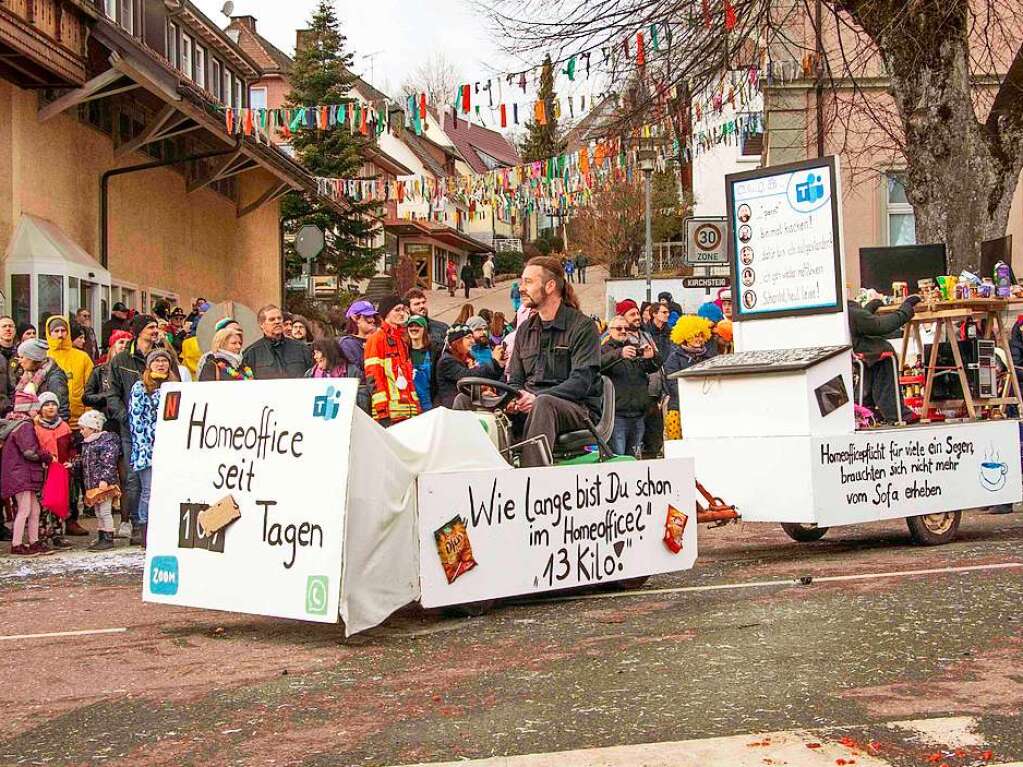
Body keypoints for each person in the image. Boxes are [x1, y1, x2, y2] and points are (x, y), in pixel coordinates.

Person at [478, 257, 601, 468]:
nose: (521, 288)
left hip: (575, 408)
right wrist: (514, 399)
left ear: (550, 286)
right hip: (531, 405)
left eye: (528, 282)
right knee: (467, 401)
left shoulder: (583, 327)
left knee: (544, 404)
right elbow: (515, 378)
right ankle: (473, 480)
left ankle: (532, 483)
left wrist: (536, 397)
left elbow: (582, 382)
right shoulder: (525, 330)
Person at [107, 314, 159, 544]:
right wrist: (126, 417)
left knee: (155, 478)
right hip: (132, 428)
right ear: (138, 331)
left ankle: (153, 522)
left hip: (159, 428)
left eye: (156, 327)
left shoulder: (161, 354)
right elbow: (113, 395)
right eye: (150, 327)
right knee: (133, 477)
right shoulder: (121, 361)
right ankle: (136, 523)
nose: (155, 331)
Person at [128, 349, 178, 547]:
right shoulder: (140, 387)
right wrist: (151, 441)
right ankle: (145, 529)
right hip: (148, 448)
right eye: (157, 361)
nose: (161, 364)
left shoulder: (174, 386)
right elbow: (136, 419)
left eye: (164, 361)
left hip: (170, 449)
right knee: (148, 490)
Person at [848, 295, 921, 423]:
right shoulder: (851, 313)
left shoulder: (841, 312)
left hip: (850, 352)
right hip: (861, 352)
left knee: (872, 360)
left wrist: (869, 308)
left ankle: (866, 406)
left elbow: (863, 322)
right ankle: (895, 412)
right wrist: (906, 308)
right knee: (884, 355)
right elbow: (882, 326)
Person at [602, 315, 659, 457]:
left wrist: (652, 356)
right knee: (618, 459)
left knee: (633, 459)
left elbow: (654, 367)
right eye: (619, 328)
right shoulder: (603, 349)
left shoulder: (635, 348)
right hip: (616, 416)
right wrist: (619, 354)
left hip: (638, 415)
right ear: (610, 331)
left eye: (626, 328)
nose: (623, 331)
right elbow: (598, 365)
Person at [2, 391, 50, 555]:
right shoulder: (25, 426)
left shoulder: (16, 424)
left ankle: (33, 541)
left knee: (34, 509)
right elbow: (29, 452)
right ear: (27, 408)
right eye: (35, 408)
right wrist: (46, 456)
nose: (37, 411)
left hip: (20, 474)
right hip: (21, 474)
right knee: (25, 508)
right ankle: (16, 544)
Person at [364, 295, 420, 425]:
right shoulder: (377, 339)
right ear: (386, 314)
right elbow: (374, 376)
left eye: (403, 310)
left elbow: (408, 378)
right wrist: (382, 411)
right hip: (390, 414)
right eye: (397, 310)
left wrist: (416, 407)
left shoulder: (402, 340)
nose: (402, 313)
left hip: (408, 411)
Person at [663, 316, 716, 440]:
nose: (698, 339)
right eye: (694, 335)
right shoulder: (674, 358)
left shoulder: (709, 357)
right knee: (677, 444)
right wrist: (692, 394)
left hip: (703, 408)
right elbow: (672, 383)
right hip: (678, 407)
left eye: (701, 335)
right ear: (685, 337)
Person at [35, 390, 78, 538]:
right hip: (43, 470)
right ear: (40, 408)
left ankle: (58, 535)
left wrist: (70, 461)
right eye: (46, 405)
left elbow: (71, 447)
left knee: (60, 501)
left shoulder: (64, 426)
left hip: (60, 469)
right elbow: (34, 447)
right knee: (44, 504)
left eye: (53, 404)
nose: (50, 407)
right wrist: (45, 457)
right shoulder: (35, 427)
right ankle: (42, 535)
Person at [436, 324, 505, 409]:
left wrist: (500, 364)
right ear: (457, 341)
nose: (473, 341)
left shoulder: (468, 359)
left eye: (472, 337)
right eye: (468, 337)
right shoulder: (446, 361)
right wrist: (494, 362)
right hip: (454, 410)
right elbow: (469, 376)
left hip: (468, 407)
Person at [45, 315, 93, 430]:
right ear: (49, 333)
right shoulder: (44, 357)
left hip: (80, 422)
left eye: (63, 330)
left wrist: (88, 415)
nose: (60, 334)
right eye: (56, 331)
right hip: (50, 422)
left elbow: (91, 387)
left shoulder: (82, 357)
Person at [242, 305, 313, 380]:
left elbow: (313, 376)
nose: (277, 322)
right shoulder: (251, 353)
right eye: (272, 319)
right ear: (262, 325)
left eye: (279, 318)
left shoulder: (301, 349)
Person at [15, 339, 70, 422]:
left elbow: (62, 411)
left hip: (49, 429)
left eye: (22, 357)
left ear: (33, 358)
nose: (20, 361)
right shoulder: (28, 376)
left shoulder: (55, 379)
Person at [407, 315, 442, 411]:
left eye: (418, 326)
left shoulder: (434, 352)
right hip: (410, 405)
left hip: (429, 404)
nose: (414, 328)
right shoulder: (403, 351)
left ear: (425, 329)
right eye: (411, 326)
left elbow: (439, 381)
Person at [339, 301, 377, 381]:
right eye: (368, 316)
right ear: (355, 318)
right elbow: (356, 373)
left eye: (373, 316)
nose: (373, 320)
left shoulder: (376, 339)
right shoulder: (347, 344)